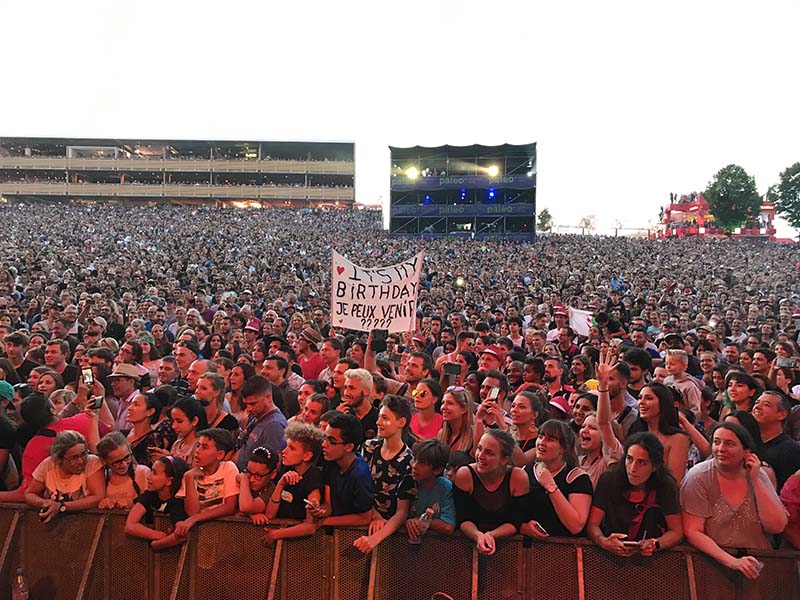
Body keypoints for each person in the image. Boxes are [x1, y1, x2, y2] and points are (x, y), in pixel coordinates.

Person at [681, 422, 789, 580]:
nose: (721, 449)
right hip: (712, 565)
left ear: (746, 451)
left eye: (729, 444)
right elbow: (693, 531)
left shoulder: (759, 475)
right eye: (716, 442)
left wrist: (756, 480)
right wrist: (733, 562)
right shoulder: (698, 477)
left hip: (757, 564)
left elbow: (776, 526)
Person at [587, 432, 683, 556]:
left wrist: (655, 544)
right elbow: (593, 524)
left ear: (654, 466)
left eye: (641, 463)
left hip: (652, 558)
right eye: (629, 459)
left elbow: (676, 532)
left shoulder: (665, 485)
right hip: (610, 556)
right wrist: (603, 541)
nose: (633, 468)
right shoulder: (609, 479)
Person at [354, 396, 415, 553]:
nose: (378, 422)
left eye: (385, 418)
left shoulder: (408, 460)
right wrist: (375, 516)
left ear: (401, 422)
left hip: (389, 532)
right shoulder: (368, 448)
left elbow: (402, 511)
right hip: (363, 518)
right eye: (379, 417)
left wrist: (376, 537)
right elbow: (357, 488)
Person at [453, 429, 528, 555]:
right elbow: (463, 519)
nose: (480, 456)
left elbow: (515, 522)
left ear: (504, 459)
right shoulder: (465, 474)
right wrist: (478, 536)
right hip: (466, 546)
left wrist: (490, 535)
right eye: (479, 448)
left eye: (489, 453)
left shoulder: (518, 477)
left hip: (509, 548)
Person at [520, 420, 592, 538]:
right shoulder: (524, 472)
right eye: (540, 437)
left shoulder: (577, 478)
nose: (542, 443)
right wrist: (522, 527)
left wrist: (550, 486)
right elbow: (510, 515)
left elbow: (575, 526)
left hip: (564, 546)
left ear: (564, 448)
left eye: (550, 439)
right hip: (525, 546)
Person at [262, 422, 326, 544]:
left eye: (291, 448)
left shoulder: (314, 477)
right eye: (286, 446)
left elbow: (310, 526)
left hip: (302, 544)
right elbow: (269, 514)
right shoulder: (286, 470)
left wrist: (276, 534)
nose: (284, 451)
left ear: (307, 456)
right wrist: (280, 484)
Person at [306, 412, 374, 526]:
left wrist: (324, 521)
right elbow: (328, 506)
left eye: (331, 441)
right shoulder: (330, 462)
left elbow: (364, 517)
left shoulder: (359, 474)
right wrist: (319, 510)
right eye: (325, 438)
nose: (324, 444)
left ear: (349, 447)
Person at [24, 430, 105, 522]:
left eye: (83, 454)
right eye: (74, 458)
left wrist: (61, 506)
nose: (80, 461)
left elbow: (97, 497)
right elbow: (29, 494)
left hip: (85, 522)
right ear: (59, 459)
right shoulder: (48, 464)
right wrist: (44, 503)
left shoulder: (92, 462)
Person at [173, 428, 239, 538]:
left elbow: (230, 506)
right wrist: (189, 478)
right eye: (198, 445)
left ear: (220, 454)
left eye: (205, 447)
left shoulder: (228, 468)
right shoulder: (190, 475)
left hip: (224, 533)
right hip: (200, 534)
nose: (197, 451)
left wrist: (195, 518)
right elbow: (192, 512)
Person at [629, 382, 690, 483]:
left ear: (663, 403)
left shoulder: (678, 439)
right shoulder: (635, 432)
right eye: (640, 398)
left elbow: (674, 481)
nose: (641, 402)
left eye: (648, 398)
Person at [125, 455, 189, 549]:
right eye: (151, 471)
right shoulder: (149, 495)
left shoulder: (178, 502)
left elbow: (181, 535)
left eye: (154, 473)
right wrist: (160, 536)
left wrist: (156, 544)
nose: (148, 477)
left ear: (169, 481)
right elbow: (130, 525)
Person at [405, 439, 456, 539]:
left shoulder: (446, 488)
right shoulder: (407, 481)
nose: (414, 466)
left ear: (438, 469)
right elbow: (399, 514)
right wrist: (406, 521)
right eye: (415, 460)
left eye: (422, 463)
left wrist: (421, 522)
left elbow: (448, 526)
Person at [751, 391, 800, 491]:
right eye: (756, 403)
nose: (757, 407)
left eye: (766, 405)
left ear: (781, 414)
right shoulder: (748, 442)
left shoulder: (789, 450)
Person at [236, 376, 287, 470]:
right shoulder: (257, 416)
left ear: (268, 397)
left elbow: (273, 466)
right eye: (246, 404)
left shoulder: (274, 426)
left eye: (253, 404)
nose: (249, 408)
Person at [96, 431, 149, 509]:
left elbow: (152, 501)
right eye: (117, 462)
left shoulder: (143, 473)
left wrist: (132, 503)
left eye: (127, 457)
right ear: (104, 461)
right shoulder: (102, 478)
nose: (124, 464)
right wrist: (103, 503)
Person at [150, 398, 207, 464]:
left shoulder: (200, 446)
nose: (174, 426)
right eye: (173, 421)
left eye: (179, 421)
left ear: (194, 420)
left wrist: (170, 461)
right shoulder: (177, 444)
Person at [237, 446, 279, 523]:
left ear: (273, 474)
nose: (251, 480)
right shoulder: (244, 478)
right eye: (249, 472)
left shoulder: (271, 490)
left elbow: (246, 507)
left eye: (258, 475)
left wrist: (244, 479)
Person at [126, 392, 162, 467]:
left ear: (150, 412)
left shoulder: (153, 439)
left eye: (136, 405)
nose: (129, 408)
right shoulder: (124, 434)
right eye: (131, 404)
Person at [437, 385, 475, 454]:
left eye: (450, 403)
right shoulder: (441, 434)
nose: (443, 407)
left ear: (464, 409)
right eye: (443, 402)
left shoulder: (473, 436)